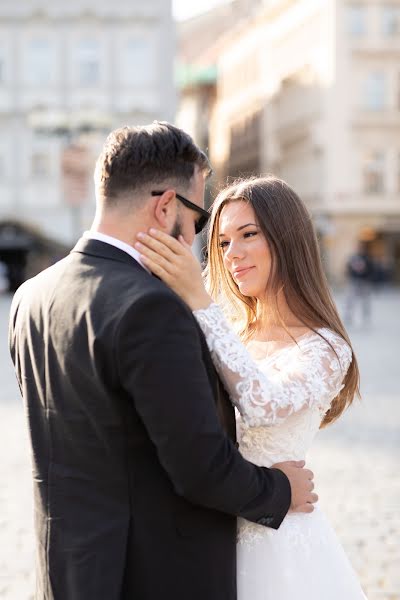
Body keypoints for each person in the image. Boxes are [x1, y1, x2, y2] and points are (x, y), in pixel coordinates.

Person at [8, 124, 316, 600]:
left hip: (66, 571)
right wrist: (280, 491)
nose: (196, 233)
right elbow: (200, 467)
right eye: (197, 214)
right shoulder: (152, 307)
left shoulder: (31, 296)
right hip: (150, 575)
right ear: (166, 205)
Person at [135, 175, 368, 599]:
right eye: (222, 243)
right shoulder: (229, 331)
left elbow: (260, 403)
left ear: (287, 239)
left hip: (279, 548)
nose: (232, 255)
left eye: (248, 235)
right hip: (206, 537)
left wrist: (201, 304)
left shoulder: (327, 349)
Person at [344, 244, 375, 327]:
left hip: (364, 281)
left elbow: (371, 269)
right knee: (350, 299)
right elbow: (348, 268)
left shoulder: (367, 258)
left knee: (365, 300)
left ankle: (366, 317)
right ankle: (348, 316)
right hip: (354, 281)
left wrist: (366, 274)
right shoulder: (353, 258)